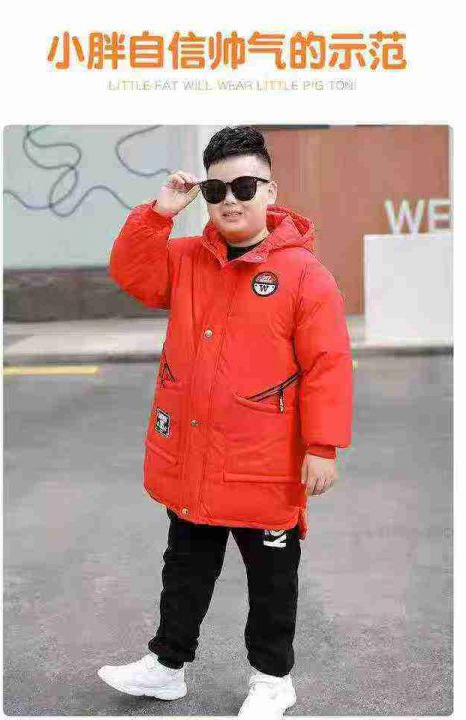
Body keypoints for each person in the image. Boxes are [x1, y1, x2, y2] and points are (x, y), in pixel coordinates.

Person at [97, 125, 353, 718]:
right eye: (216, 190)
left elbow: (328, 365)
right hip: (195, 458)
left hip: (265, 465)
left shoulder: (304, 274)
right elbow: (131, 274)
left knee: (271, 581)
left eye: (244, 186)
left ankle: (272, 680)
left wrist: (322, 446)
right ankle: (167, 666)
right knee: (184, 569)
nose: (229, 200)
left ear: (271, 192)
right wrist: (159, 214)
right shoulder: (187, 259)